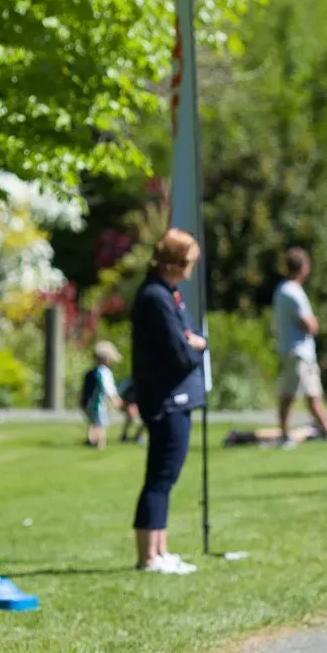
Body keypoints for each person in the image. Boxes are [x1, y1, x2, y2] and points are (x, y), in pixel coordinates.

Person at [130, 229, 207, 576]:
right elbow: (179, 352)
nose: (193, 268)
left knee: (166, 476)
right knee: (160, 476)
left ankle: (160, 550)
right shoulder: (155, 298)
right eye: (190, 262)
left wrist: (191, 341)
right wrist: (197, 346)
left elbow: (184, 338)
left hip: (174, 398)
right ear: (176, 263)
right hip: (165, 399)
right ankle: (149, 557)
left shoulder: (168, 294)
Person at [272, 247, 327, 446]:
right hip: (300, 351)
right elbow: (310, 324)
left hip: (287, 349)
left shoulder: (281, 289)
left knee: (287, 394)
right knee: (312, 394)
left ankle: (284, 433)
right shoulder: (294, 292)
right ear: (304, 267)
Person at [80, 341, 124, 450]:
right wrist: (115, 399)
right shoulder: (104, 372)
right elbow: (108, 388)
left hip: (88, 403)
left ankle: (90, 440)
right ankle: (100, 445)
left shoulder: (91, 372)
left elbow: (84, 390)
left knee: (93, 422)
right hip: (97, 403)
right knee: (101, 423)